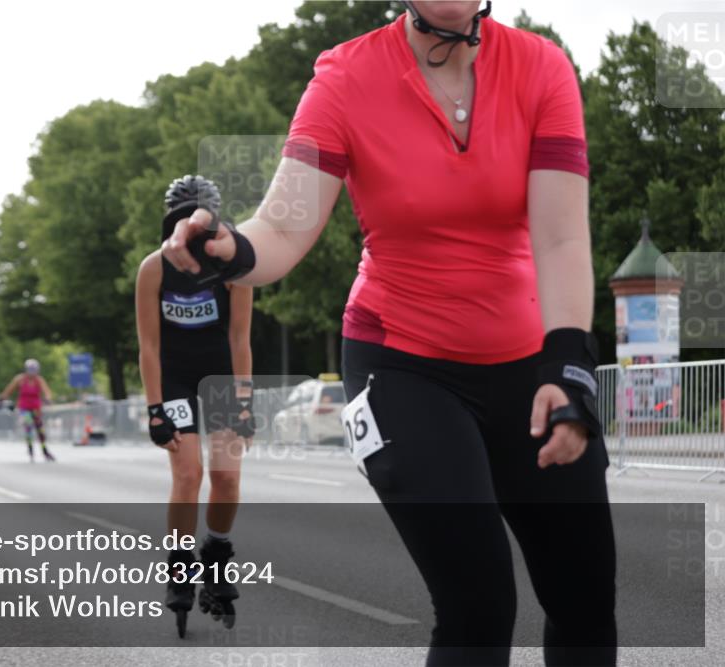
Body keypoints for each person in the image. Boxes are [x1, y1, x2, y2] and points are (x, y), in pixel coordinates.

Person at [161, 3, 615, 664]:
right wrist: (230, 249)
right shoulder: (346, 76)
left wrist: (567, 363)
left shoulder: (541, 66)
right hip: (402, 363)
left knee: (584, 601)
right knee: (478, 605)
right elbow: (282, 227)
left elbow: (562, 237)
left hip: (531, 360)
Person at [136, 175, 255, 636]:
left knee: (226, 477)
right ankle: (181, 563)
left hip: (220, 377)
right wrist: (155, 409)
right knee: (189, 474)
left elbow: (240, 339)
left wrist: (243, 400)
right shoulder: (153, 269)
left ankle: (217, 552)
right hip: (176, 380)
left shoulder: (234, 267)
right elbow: (148, 347)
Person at [0, 359, 55, 461]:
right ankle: (30, 449)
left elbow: (47, 391)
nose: (32, 373)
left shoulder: (39, 380)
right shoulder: (20, 379)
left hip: (36, 408)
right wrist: (2, 398)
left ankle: (45, 450)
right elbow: (9, 390)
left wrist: (48, 398)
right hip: (24, 408)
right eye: (31, 370)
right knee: (28, 426)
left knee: (40, 430)